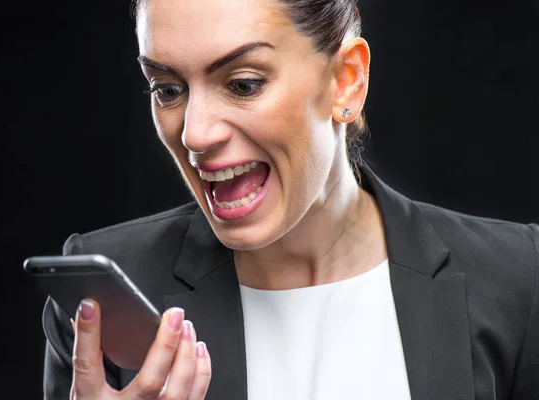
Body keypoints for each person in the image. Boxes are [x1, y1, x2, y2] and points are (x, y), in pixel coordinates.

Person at [41, 0, 539, 399]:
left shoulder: (518, 278)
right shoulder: (104, 304)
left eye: (242, 84)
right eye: (167, 89)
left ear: (347, 80)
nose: (193, 133)